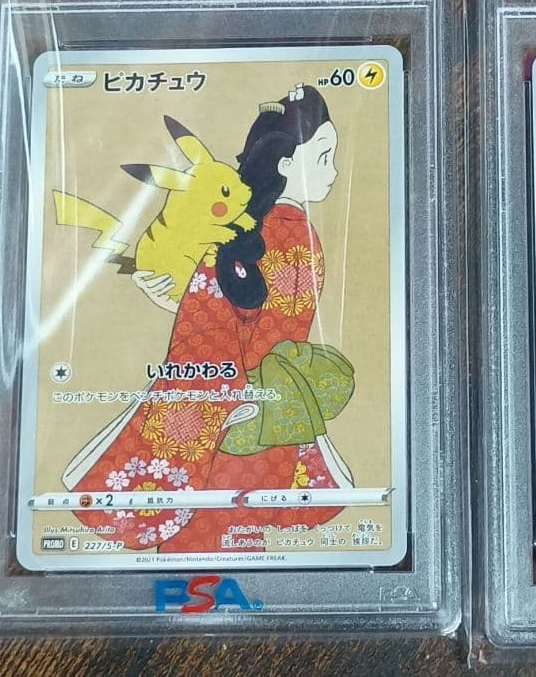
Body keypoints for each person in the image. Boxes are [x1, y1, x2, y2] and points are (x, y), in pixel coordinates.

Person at [67, 84, 355, 553]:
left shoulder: (254, 236)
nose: (335, 171)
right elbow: (254, 319)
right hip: (265, 413)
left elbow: (227, 322)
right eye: (324, 156)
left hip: (234, 410)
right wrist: (182, 299)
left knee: (210, 536)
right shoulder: (288, 236)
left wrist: (188, 308)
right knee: (232, 535)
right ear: (285, 165)